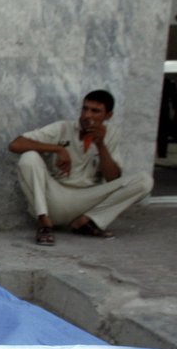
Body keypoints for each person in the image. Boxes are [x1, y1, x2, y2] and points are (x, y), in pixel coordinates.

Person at [8, 90, 153, 246]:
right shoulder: (63, 128)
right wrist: (58, 149)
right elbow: (15, 144)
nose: (87, 115)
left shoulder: (111, 135)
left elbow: (113, 178)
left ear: (108, 116)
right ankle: (43, 222)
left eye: (95, 111)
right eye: (85, 108)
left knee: (144, 181)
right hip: (53, 197)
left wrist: (100, 145)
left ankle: (87, 221)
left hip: (86, 200)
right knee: (29, 157)